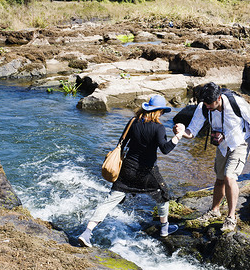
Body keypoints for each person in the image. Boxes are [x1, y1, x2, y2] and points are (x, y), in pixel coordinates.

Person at [78, 94, 185, 247]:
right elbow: (165, 149)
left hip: (127, 169)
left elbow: (121, 142)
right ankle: (164, 229)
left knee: (109, 201)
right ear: (158, 111)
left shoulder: (133, 122)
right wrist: (178, 136)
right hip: (147, 172)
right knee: (163, 195)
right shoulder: (159, 127)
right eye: (162, 112)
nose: (162, 115)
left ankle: (87, 232)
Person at [175, 82, 250, 231]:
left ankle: (231, 217)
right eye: (205, 104)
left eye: (210, 104)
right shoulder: (203, 107)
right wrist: (182, 131)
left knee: (229, 176)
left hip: (240, 142)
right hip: (222, 147)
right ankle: (214, 211)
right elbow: (192, 131)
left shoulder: (236, 102)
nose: (207, 107)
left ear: (219, 98)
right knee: (219, 179)